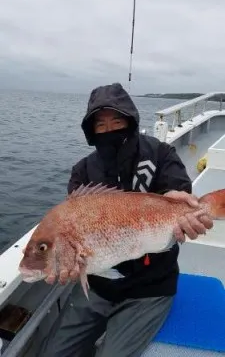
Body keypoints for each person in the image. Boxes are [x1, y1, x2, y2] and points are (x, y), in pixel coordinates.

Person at [40, 83, 213, 357]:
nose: (110, 130)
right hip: (97, 288)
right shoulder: (82, 171)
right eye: (101, 125)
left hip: (150, 288)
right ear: (91, 131)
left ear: (130, 121)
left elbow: (175, 187)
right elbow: (75, 224)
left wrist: (176, 200)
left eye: (117, 121)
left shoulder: (161, 153)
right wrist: (72, 262)